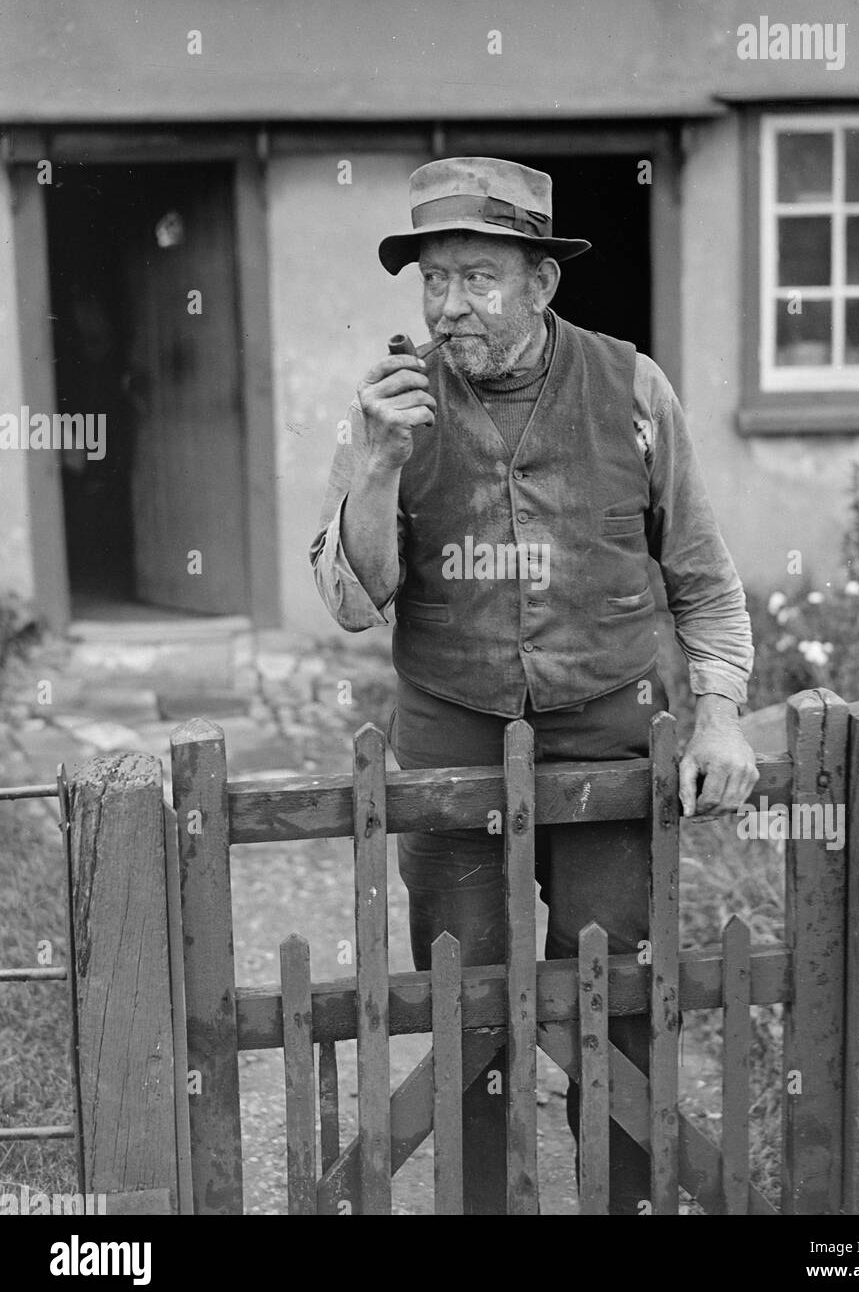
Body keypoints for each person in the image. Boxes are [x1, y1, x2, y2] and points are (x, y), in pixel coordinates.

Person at [310, 157, 759, 1214]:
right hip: (450, 734)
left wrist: (721, 716)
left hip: (608, 729)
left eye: (478, 277)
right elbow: (349, 599)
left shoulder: (633, 386)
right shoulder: (388, 406)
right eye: (433, 278)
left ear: (540, 283)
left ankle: (625, 1199)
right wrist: (375, 463)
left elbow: (702, 577)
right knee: (464, 995)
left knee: (619, 988)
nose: (450, 304)